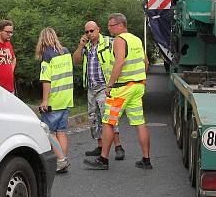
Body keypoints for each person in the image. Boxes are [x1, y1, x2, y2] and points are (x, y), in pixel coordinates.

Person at [84, 13, 151, 170]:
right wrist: (141, 78)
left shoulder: (120, 40)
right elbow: (146, 62)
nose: (109, 29)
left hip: (122, 88)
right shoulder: (136, 39)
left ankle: (103, 159)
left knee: (108, 122)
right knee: (139, 122)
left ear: (120, 25)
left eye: (111, 26)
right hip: (137, 86)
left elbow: (119, 63)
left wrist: (109, 85)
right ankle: (146, 160)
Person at [72, 20, 125, 161]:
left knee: (109, 118)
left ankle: (118, 147)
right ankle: (100, 146)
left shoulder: (109, 42)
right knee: (94, 118)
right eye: (87, 31)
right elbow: (76, 61)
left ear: (98, 30)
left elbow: (121, 55)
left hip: (105, 86)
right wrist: (80, 46)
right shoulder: (86, 46)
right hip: (91, 87)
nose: (89, 34)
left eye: (92, 30)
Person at [35, 27, 73, 174]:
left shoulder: (47, 55)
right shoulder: (66, 51)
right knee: (61, 132)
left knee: (48, 132)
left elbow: (46, 80)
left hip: (54, 100)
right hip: (67, 98)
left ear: (42, 40)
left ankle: (61, 160)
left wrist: (45, 101)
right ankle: (62, 160)